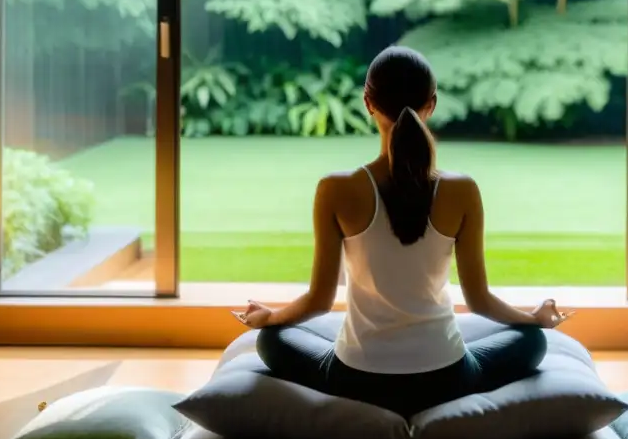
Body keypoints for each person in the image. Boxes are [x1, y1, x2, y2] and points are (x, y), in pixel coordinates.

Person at [235, 46, 572, 418]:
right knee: (532, 342)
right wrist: (534, 319)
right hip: (446, 378)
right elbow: (478, 301)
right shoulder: (462, 190)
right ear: (432, 104)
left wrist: (269, 319)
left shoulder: (335, 189)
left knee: (271, 341)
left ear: (368, 103)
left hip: (355, 378)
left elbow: (318, 302)